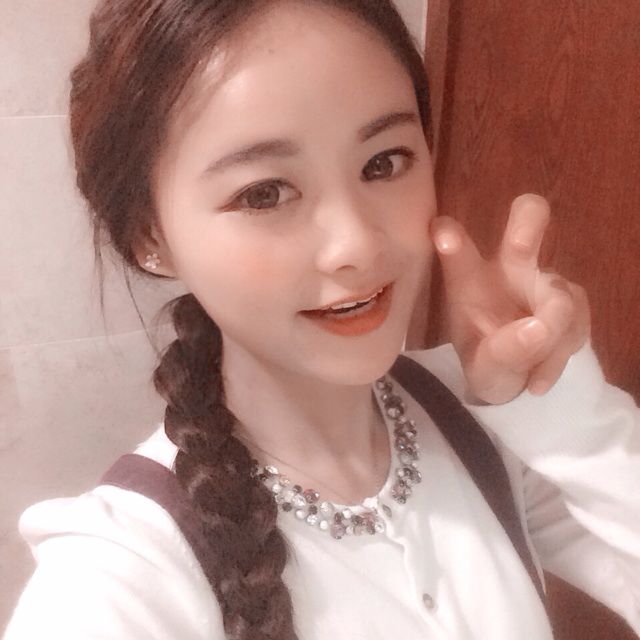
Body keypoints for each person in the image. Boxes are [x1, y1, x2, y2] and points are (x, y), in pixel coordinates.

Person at [4, 1, 639, 638]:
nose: (356, 244)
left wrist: (555, 402)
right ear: (151, 235)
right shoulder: (114, 584)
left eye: (383, 162)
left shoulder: (481, 420)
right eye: (264, 193)